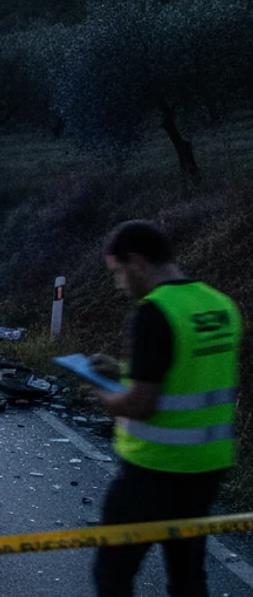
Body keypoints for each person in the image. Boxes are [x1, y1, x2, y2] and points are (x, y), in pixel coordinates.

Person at [89, 220, 241, 597]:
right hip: (207, 468)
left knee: (113, 574)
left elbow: (140, 404)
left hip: (152, 470)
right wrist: (123, 370)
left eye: (118, 273)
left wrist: (100, 394)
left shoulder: (154, 312)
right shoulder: (220, 305)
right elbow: (188, 374)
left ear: (136, 261)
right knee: (188, 575)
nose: (119, 284)